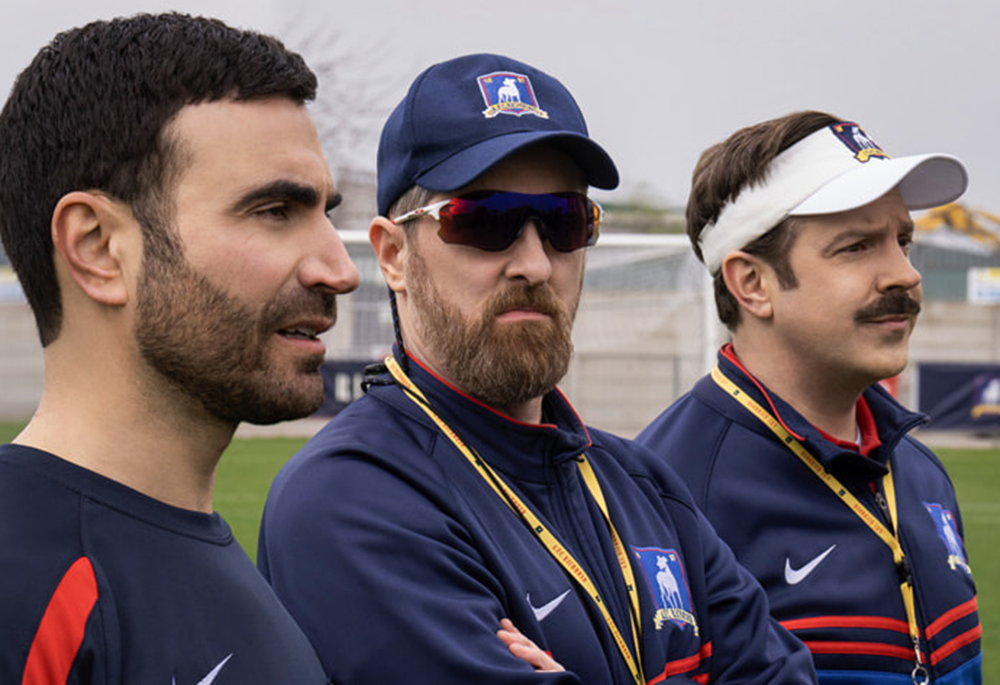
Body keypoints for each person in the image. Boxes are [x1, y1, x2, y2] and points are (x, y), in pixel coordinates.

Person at [258, 53, 816, 685]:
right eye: (484, 221)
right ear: (392, 254)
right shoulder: (349, 499)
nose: (535, 263)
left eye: (563, 222)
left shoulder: (641, 484)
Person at [0, 13, 359, 683]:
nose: (339, 270)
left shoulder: (220, 568)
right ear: (98, 248)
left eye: (325, 214)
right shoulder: (24, 590)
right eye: (275, 210)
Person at [637, 112, 982, 684]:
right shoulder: (665, 496)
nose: (904, 274)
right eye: (855, 247)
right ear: (752, 283)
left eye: (902, 241)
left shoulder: (918, 470)